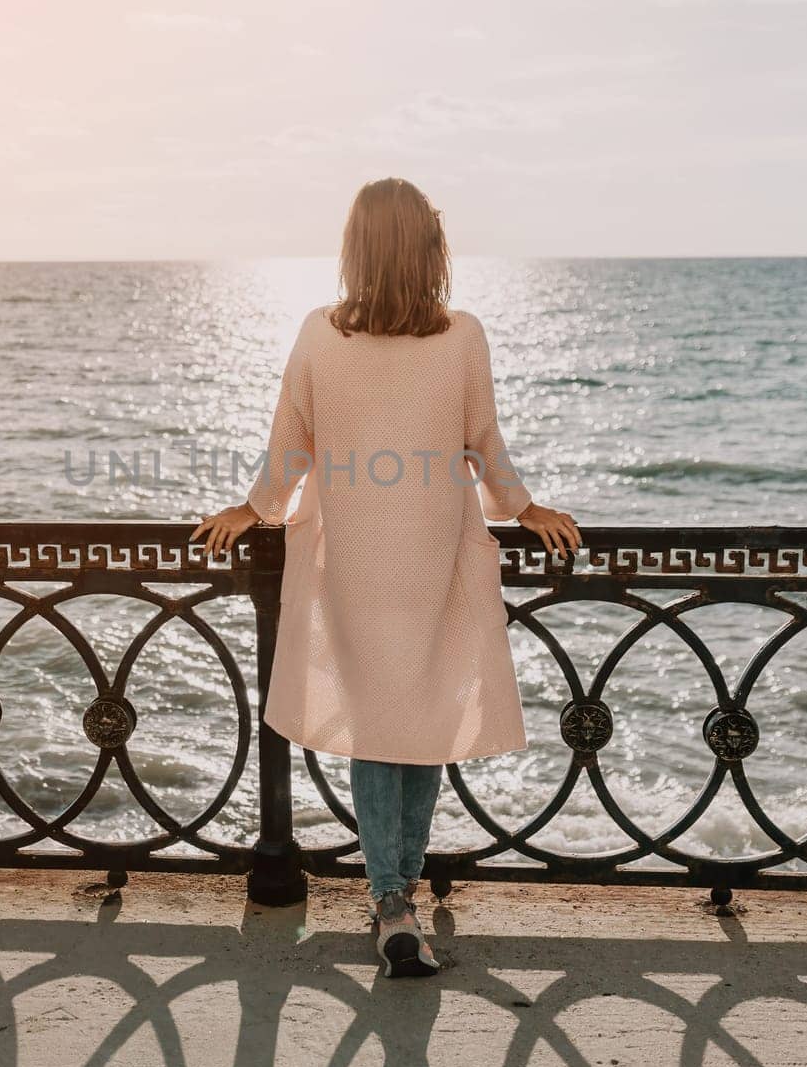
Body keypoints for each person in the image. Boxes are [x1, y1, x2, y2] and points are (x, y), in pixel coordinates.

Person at [191, 177, 581, 977]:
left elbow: (290, 446)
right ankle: (398, 890)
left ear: (355, 249)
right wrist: (525, 508)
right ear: (428, 249)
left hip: (355, 554)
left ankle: (390, 899)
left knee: (379, 722)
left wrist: (252, 507)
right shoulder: (462, 335)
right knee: (424, 711)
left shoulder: (317, 334)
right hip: (434, 550)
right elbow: (484, 442)